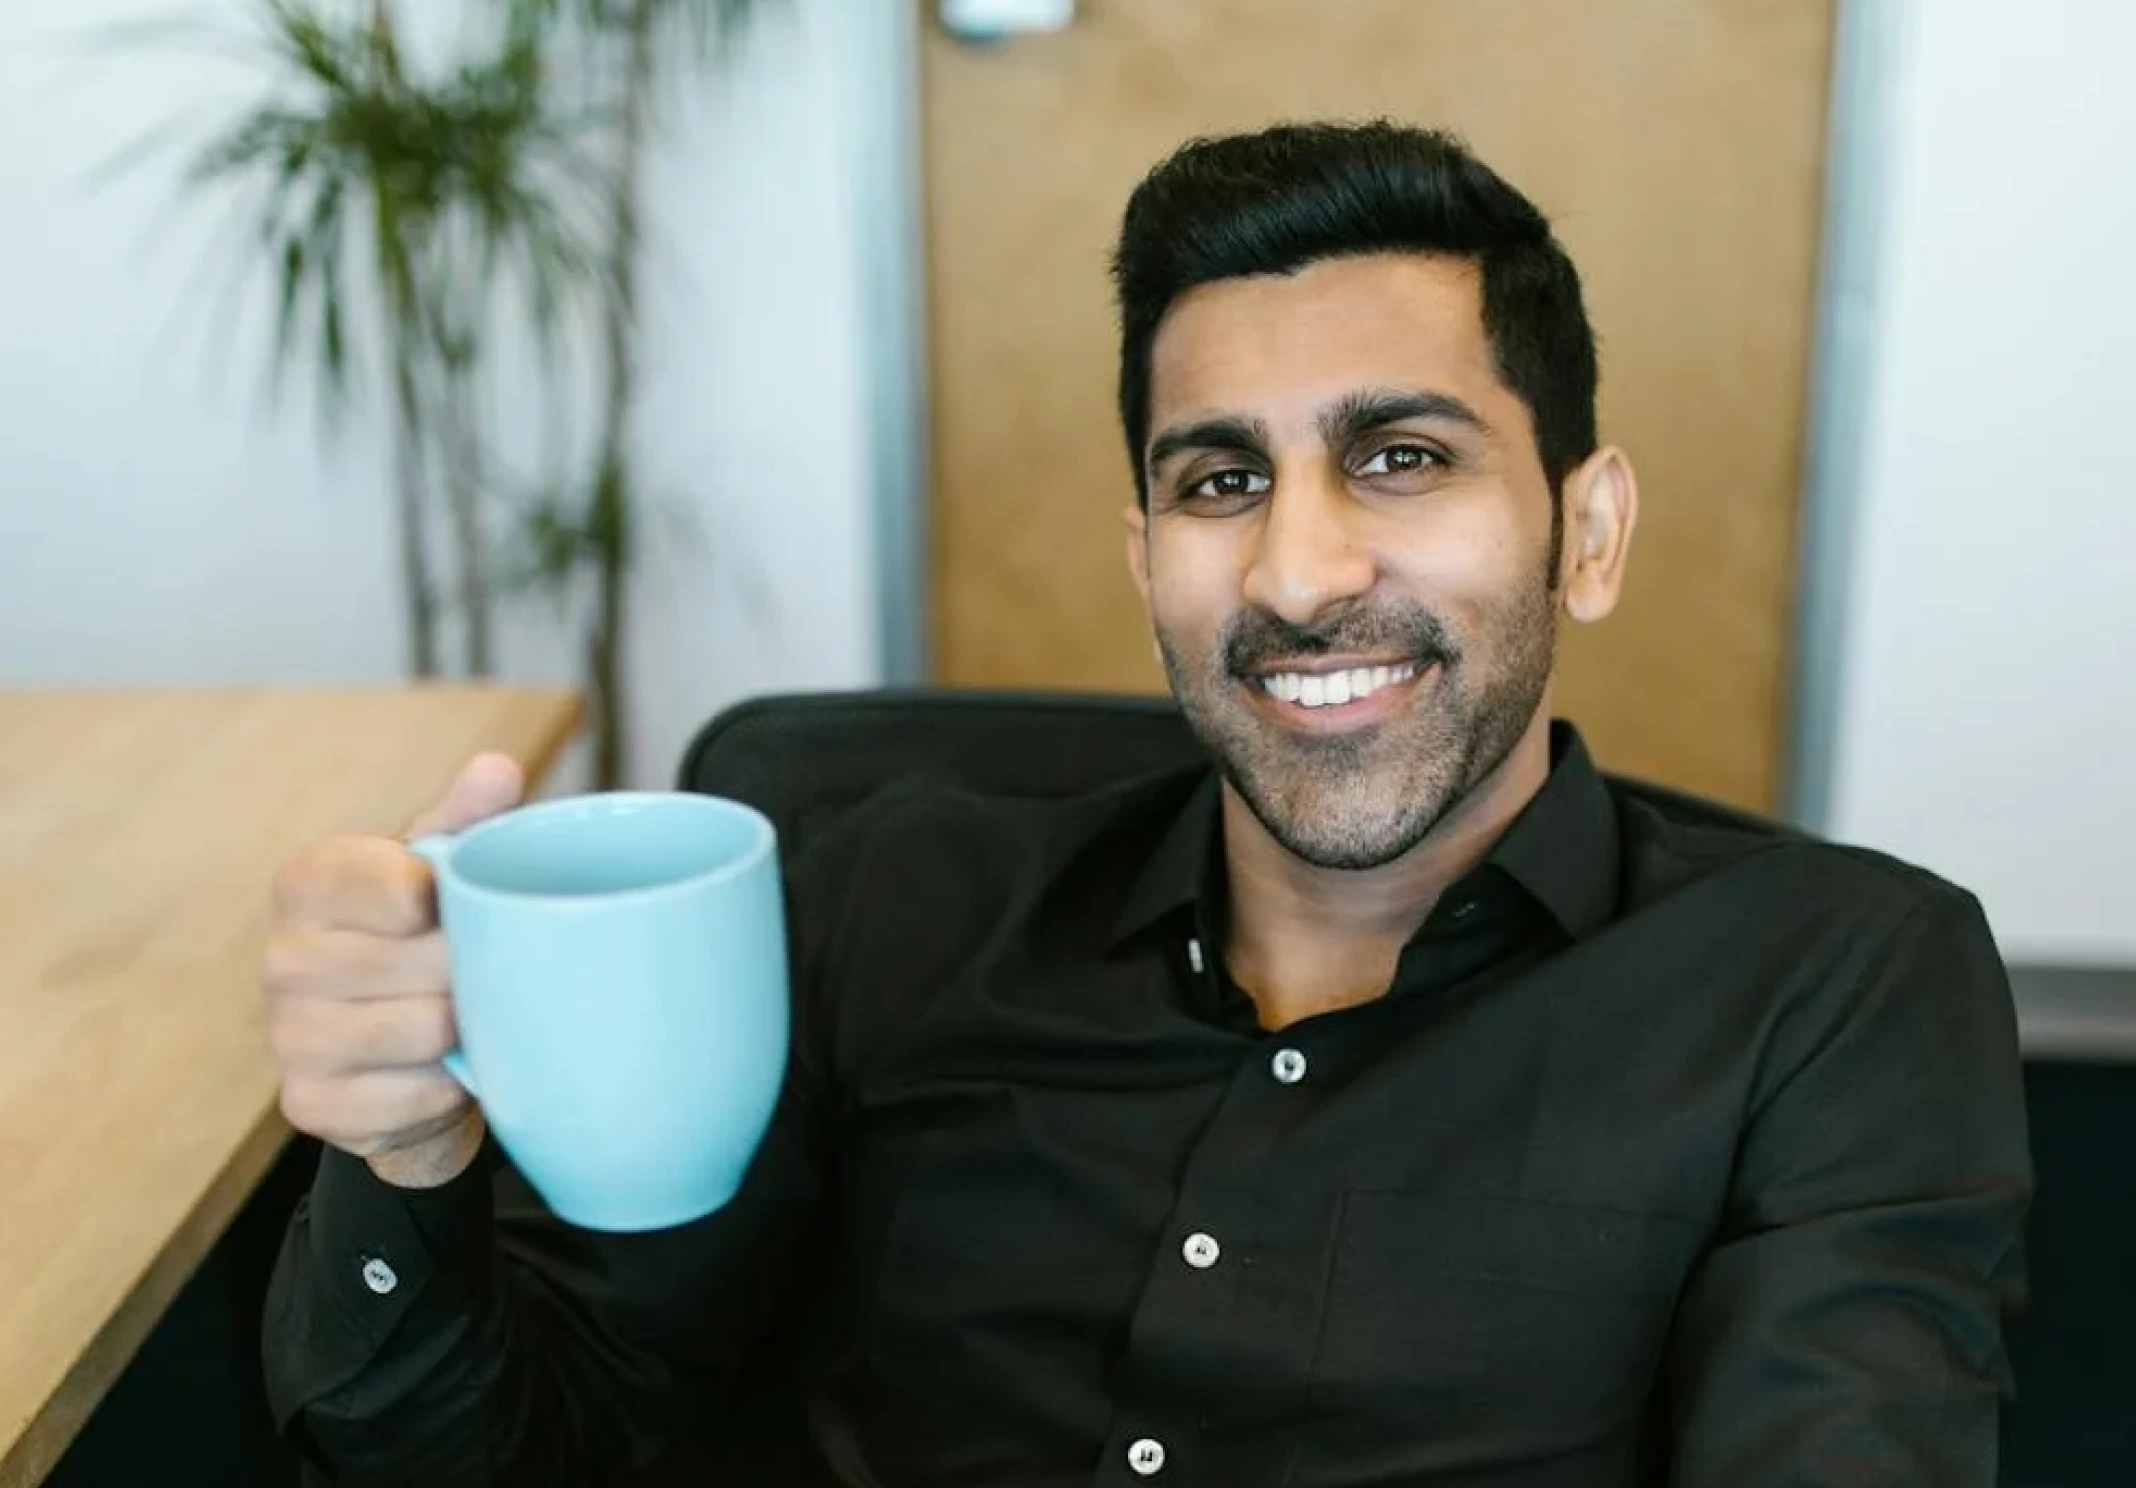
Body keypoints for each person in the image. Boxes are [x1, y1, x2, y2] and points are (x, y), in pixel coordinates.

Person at [260, 122, 2030, 1487]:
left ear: (1590, 528)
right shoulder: (889, 901)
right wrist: (408, 1166)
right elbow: (519, 1447)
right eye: (1221, 481)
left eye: (1402, 457)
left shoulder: (1832, 983)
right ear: (1147, 560)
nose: (1299, 572)